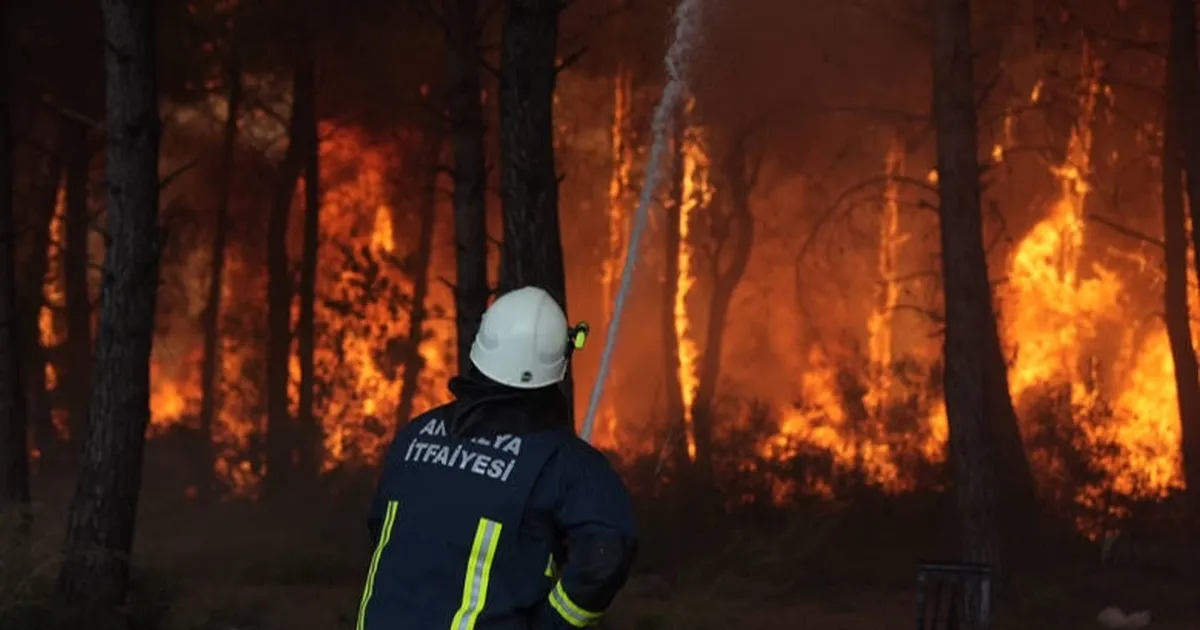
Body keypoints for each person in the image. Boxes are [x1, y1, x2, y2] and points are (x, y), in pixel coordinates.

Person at [357, 286, 638, 630]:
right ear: (560, 359)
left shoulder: (415, 435)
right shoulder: (562, 461)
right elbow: (606, 555)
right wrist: (553, 623)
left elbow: (384, 531)